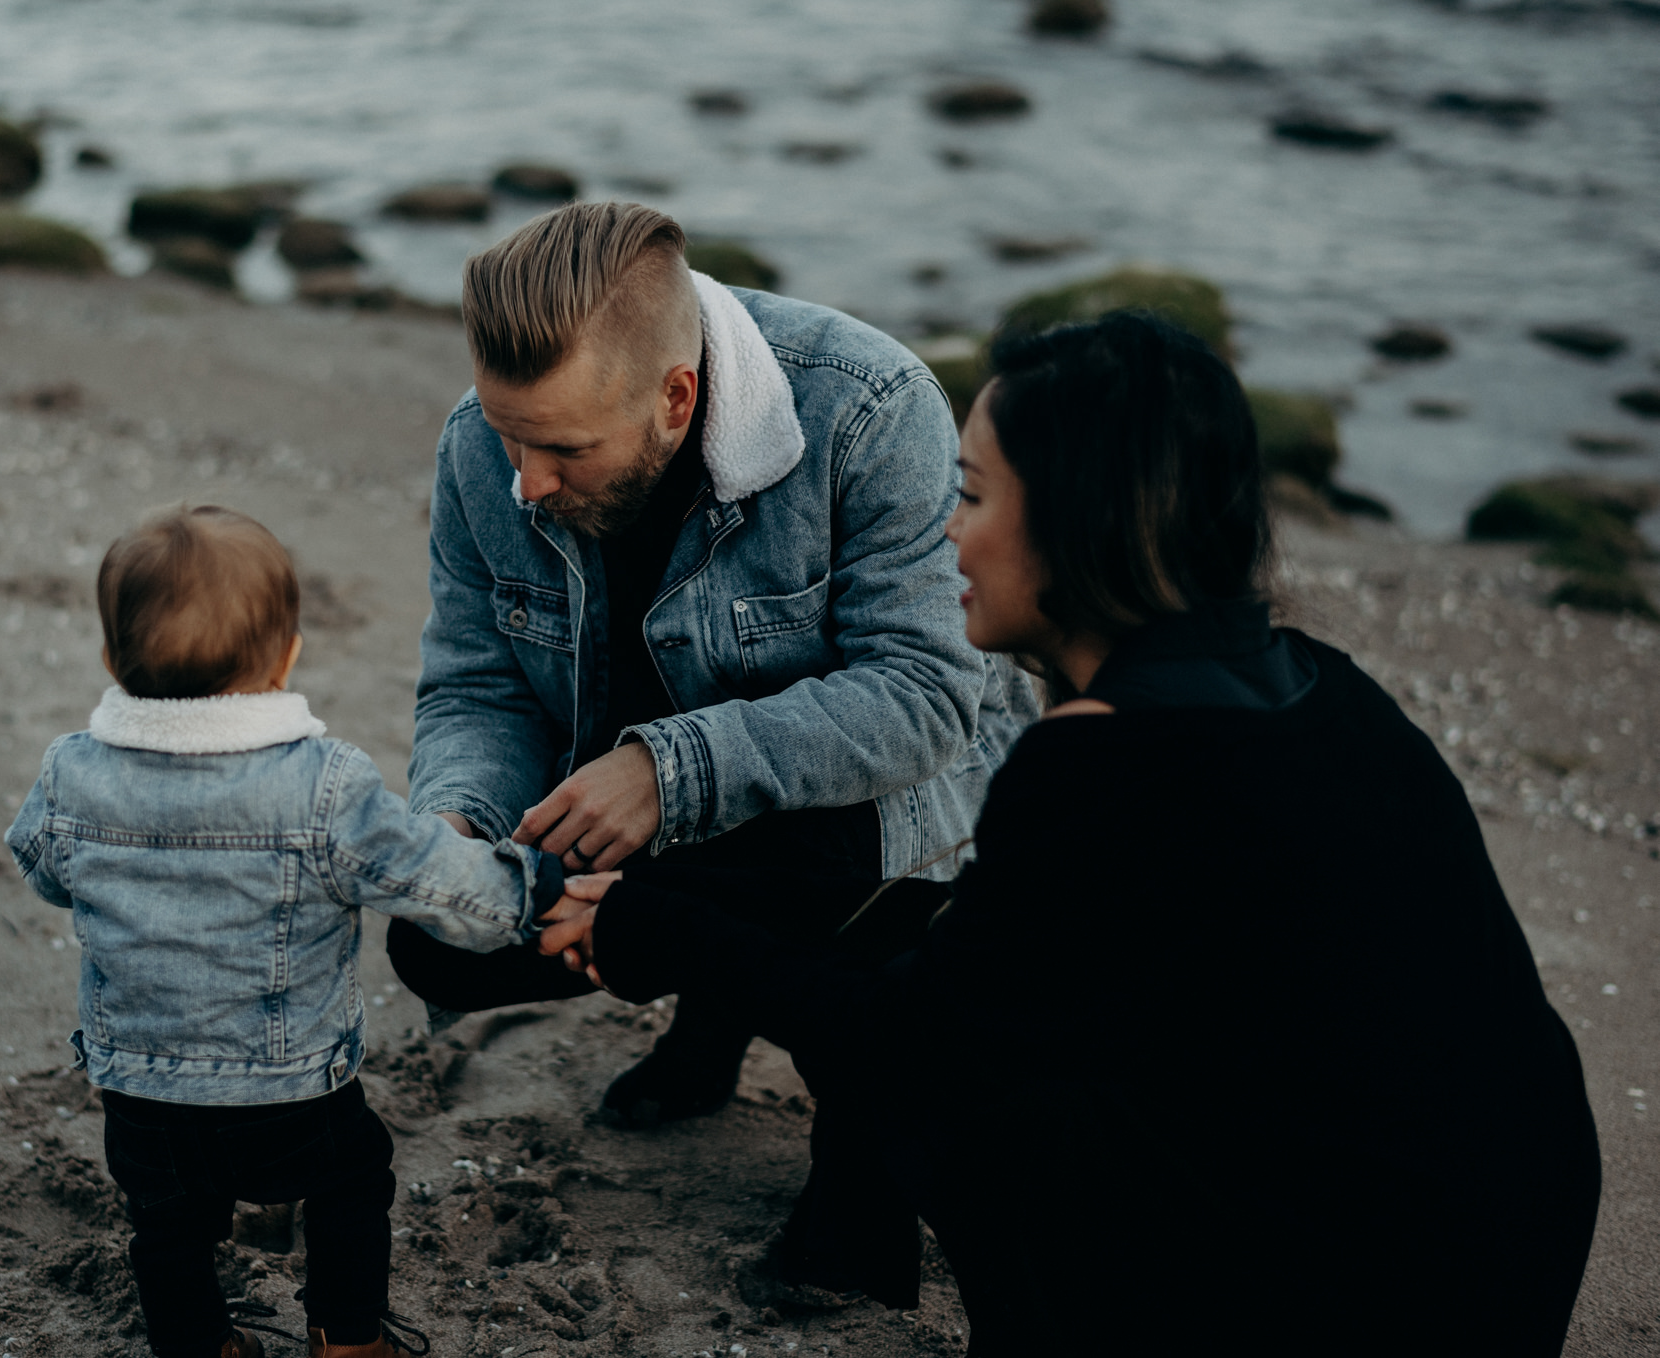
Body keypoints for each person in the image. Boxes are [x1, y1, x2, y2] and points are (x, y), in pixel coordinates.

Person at [540, 313, 1603, 1354]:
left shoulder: (1102, 760)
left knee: (992, 1108)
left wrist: (654, 930)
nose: (948, 529)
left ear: (1080, 521)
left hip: (1369, 1300)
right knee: (925, 947)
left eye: (974, 494)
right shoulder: (1322, 685)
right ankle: (846, 1244)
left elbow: (909, 1045)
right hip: (1513, 1239)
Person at [392, 200, 1037, 1122]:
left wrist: (668, 770)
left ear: (676, 399)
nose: (525, 481)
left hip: (875, 813)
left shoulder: (870, 410)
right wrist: (456, 821)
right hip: (635, 808)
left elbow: (927, 697)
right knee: (438, 946)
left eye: (565, 449)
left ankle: (801, 1085)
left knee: (823, 905)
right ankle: (711, 1005)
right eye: (510, 433)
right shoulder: (479, 443)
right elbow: (477, 683)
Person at [4, 505, 568, 1358]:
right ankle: (346, 1339)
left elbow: (44, 871)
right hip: (290, 1087)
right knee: (350, 1183)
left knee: (165, 1230)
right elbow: (433, 881)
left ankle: (198, 1346)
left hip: (142, 1093)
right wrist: (530, 893)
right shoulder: (325, 786)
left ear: (113, 660)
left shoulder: (71, 772)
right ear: (288, 657)